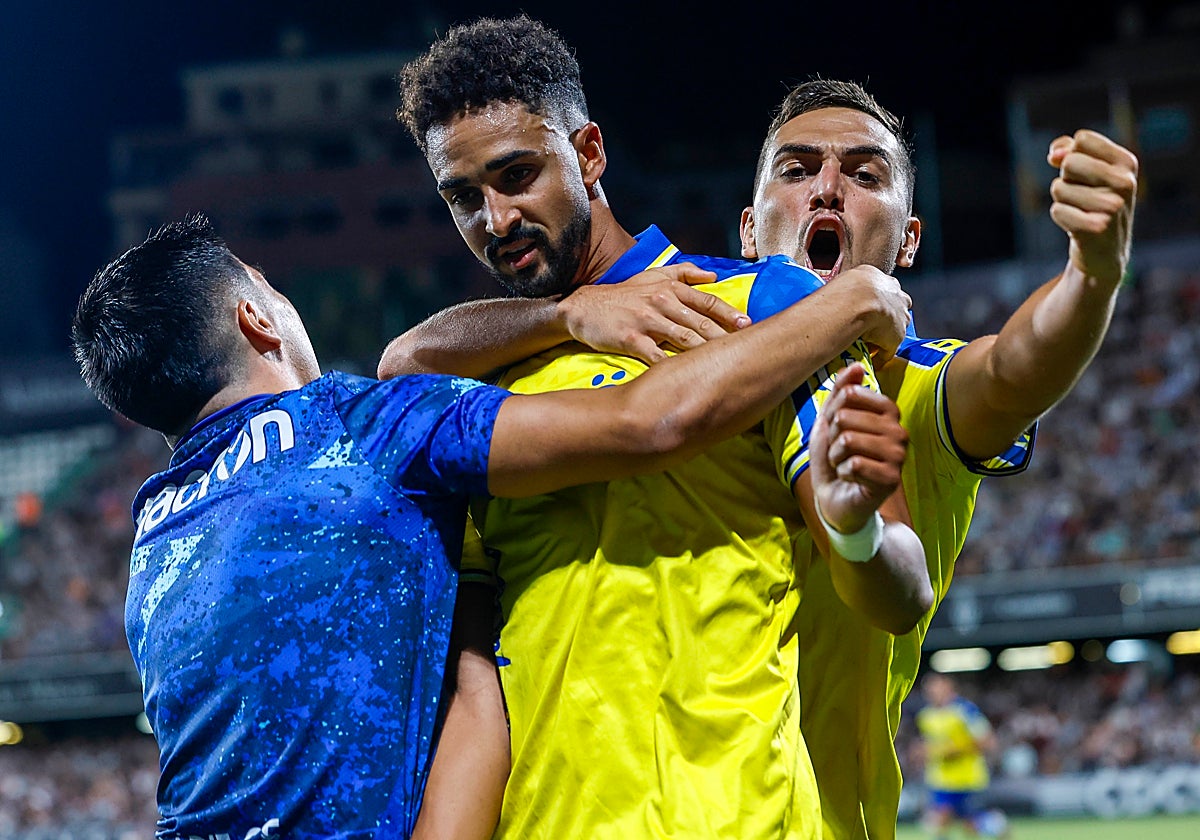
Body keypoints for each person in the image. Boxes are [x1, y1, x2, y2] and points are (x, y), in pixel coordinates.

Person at [70, 214, 915, 839]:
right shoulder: (357, 427)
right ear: (257, 319)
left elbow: (462, 708)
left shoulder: (152, 541)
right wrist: (854, 300)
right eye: (270, 286)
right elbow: (648, 422)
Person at [383, 14, 933, 840]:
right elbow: (400, 362)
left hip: (738, 819)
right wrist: (573, 316)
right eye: (464, 197)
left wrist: (852, 525)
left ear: (590, 154)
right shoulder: (476, 381)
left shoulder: (758, 307)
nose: (496, 219)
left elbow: (903, 591)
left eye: (518, 174)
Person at [737, 78, 1136, 839]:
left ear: (909, 240)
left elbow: (1016, 370)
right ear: (751, 231)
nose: (827, 188)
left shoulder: (917, 388)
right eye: (797, 169)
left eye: (863, 174)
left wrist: (1091, 275)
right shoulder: (665, 367)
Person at [914, 674, 1010, 839]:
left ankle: (998, 825)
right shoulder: (925, 716)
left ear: (948, 686)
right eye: (928, 688)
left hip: (968, 778)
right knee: (940, 821)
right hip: (940, 780)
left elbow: (987, 741)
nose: (931, 692)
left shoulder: (965, 710)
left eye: (936, 687)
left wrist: (955, 750)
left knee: (971, 825)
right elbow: (929, 745)